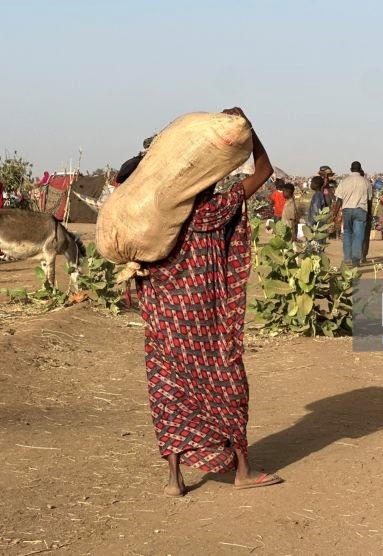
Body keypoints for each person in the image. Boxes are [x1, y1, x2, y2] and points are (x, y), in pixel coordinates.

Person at [136, 107, 283, 497]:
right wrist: (248, 129)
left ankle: (174, 478)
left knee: (168, 388)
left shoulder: (154, 218)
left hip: (166, 320)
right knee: (225, 383)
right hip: (208, 322)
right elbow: (265, 170)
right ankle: (242, 470)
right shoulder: (213, 211)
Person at [331, 161, 372, 267]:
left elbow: (339, 200)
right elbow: (369, 200)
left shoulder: (344, 181)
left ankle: (347, 258)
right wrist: (369, 214)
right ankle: (356, 260)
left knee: (347, 233)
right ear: (360, 169)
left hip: (347, 210)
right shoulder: (366, 182)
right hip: (361, 210)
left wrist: (334, 214)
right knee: (359, 235)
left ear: (351, 169)